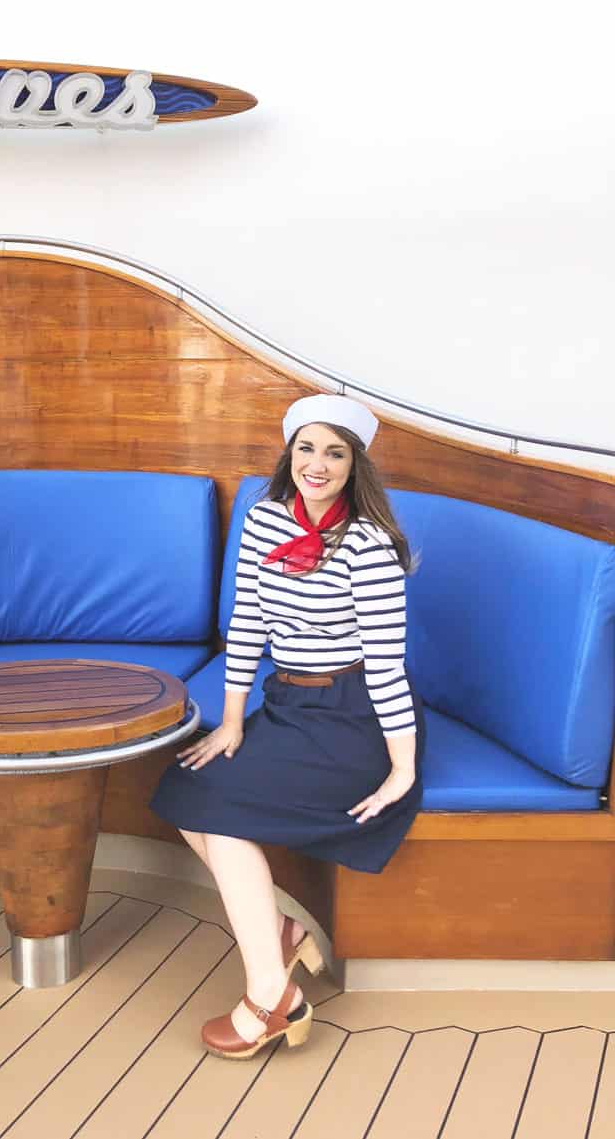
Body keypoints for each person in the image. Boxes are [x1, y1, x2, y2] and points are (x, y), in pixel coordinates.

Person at [149, 393, 424, 1059]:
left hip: (355, 715)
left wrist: (403, 769)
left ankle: (271, 994)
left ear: (355, 464)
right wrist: (235, 721)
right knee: (187, 790)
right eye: (307, 448)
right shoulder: (265, 519)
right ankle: (277, 931)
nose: (317, 464)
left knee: (219, 811)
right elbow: (246, 624)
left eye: (334, 452)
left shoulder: (369, 544)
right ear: (289, 453)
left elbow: (387, 667)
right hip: (289, 705)